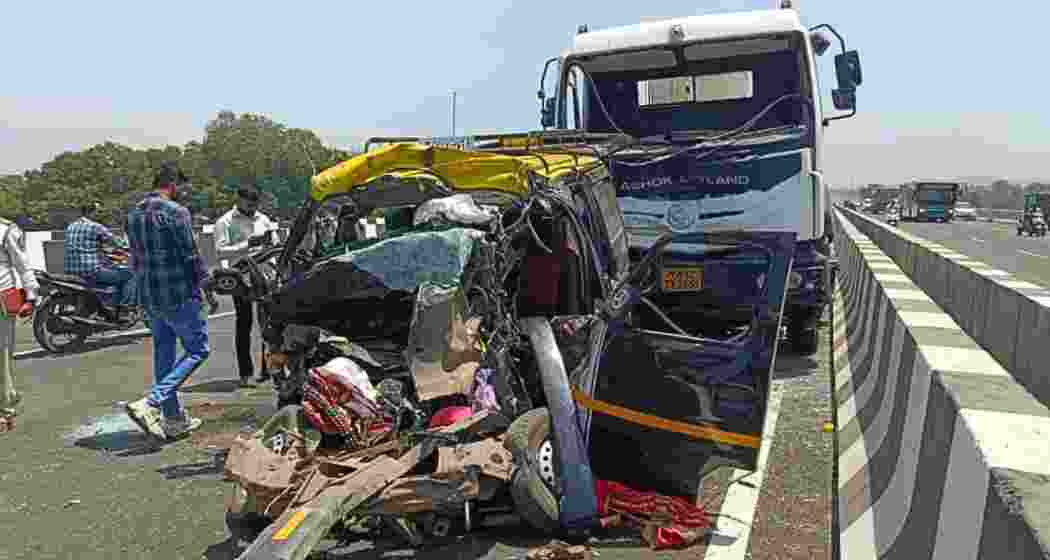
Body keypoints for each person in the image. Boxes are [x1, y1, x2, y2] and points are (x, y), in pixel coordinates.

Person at [123, 163, 210, 440]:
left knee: (164, 354)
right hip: (178, 294)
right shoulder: (177, 212)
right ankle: (151, 403)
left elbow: (134, 258)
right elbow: (191, 255)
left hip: (150, 296)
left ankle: (173, 419)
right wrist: (206, 286)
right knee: (198, 350)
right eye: (182, 188)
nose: (183, 193)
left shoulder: (133, 214)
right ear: (173, 184)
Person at [214, 185, 278, 388]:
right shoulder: (225, 221)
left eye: (255, 203)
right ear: (239, 200)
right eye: (249, 203)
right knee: (244, 324)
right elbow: (220, 250)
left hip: (265, 274)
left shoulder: (263, 219)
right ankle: (245, 373)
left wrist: (269, 244)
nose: (252, 207)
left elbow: (274, 243)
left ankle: (268, 369)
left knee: (268, 323)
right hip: (240, 277)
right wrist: (247, 244)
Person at [63, 202, 135, 314]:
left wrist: (106, 251)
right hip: (91, 271)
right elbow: (119, 243)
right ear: (91, 212)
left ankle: (106, 306)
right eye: (98, 212)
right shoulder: (95, 227)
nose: (100, 215)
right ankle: (124, 309)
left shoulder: (70, 226)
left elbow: (85, 246)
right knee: (129, 275)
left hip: (71, 272)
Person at [0, 217, 37, 433]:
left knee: (2, 358)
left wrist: (31, 295)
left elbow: (22, 265)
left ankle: (5, 410)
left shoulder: (5, 230)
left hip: (2, 299)